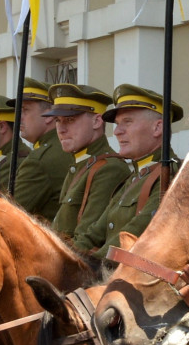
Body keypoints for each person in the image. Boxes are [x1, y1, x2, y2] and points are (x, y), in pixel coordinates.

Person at [74, 84, 183, 259]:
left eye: (128, 122)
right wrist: (68, 258)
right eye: (117, 124)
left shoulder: (170, 176)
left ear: (157, 128)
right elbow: (95, 234)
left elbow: (133, 235)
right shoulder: (136, 176)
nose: (117, 131)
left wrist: (90, 266)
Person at [46, 84, 130, 252]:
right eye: (57, 120)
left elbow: (87, 238)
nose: (61, 129)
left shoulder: (109, 168)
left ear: (97, 121)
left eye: (70, 120)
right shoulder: (80, 164)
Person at [6, 79, 75, 221]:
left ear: (49, 116)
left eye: (25, 110)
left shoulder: (39, 161)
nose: (18, 117)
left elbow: (9, 216)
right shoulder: (64, 148)